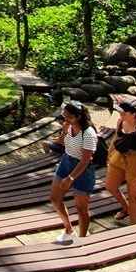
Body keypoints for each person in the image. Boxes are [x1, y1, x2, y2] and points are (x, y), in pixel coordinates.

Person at [50, 102, 97, 244]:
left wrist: (70, 178)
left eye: (69, 116)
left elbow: (85, 160)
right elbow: (63, 143)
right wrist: (64, 132)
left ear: (78, 117)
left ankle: (82, 239)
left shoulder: (88, 133)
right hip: (66, 162)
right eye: (64, 115)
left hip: (82, 169)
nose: (65, 118)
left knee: (81, 208)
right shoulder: (69, 127)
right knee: (55, 198)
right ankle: (69, 230)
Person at [105, 101, 136, 225]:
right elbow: (117, 137)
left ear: (133, 114)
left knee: (133, 195)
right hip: (120, 156)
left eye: (123, 113)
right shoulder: (121, 122)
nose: (121, 115)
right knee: (110, 186)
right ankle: (126, 208)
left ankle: (132, 225)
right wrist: (109, 152)